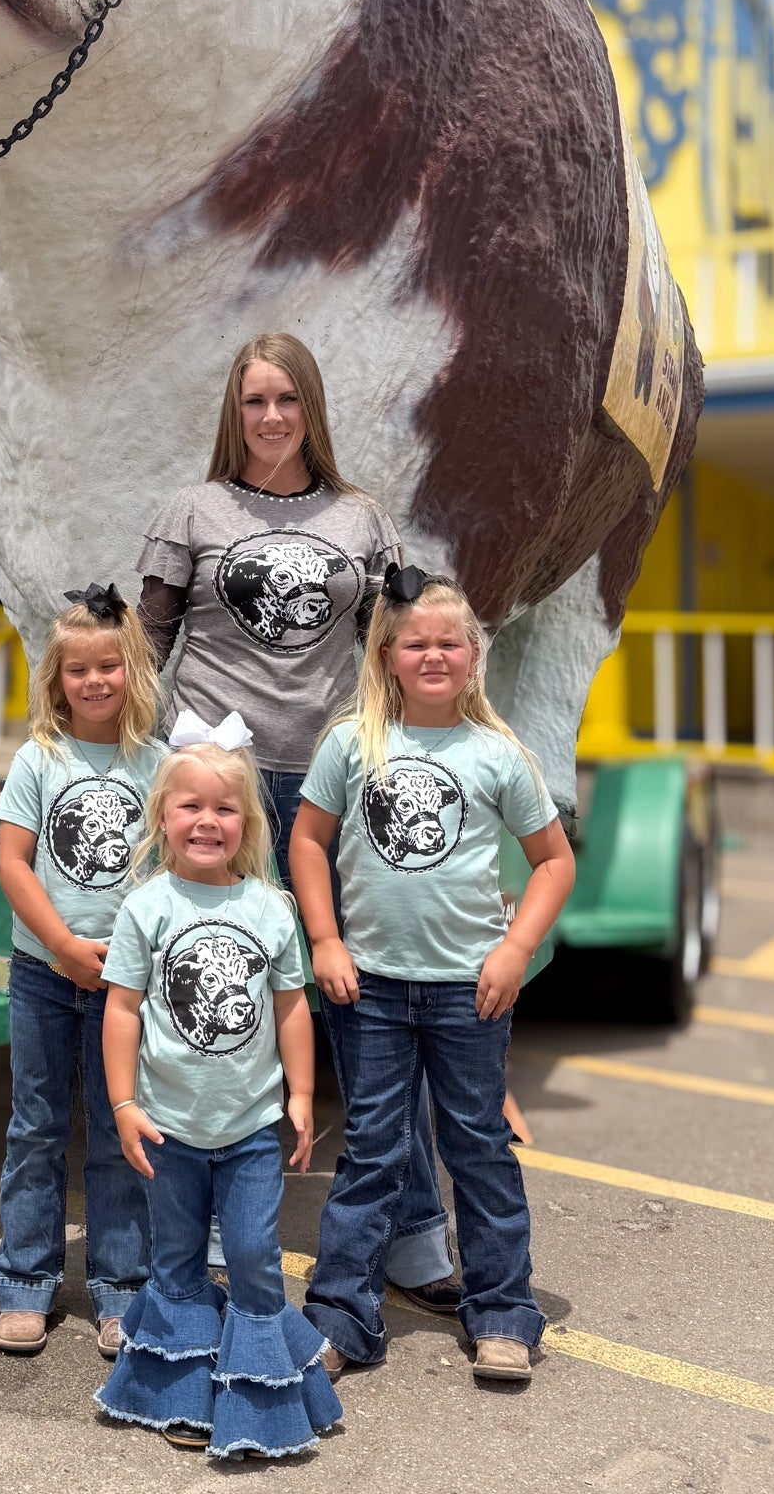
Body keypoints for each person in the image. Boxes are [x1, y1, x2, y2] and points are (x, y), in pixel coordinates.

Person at [137, 330, 456, 1305]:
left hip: (331, 791)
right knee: (231, 1010)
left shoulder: (361, 520)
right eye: (252, 401)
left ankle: (412, 1227)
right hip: (223, 792)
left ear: (310, 409)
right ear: (231, 415)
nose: (269, 417)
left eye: (285, 399)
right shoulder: (188, 512)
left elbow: (390, 652)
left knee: (371, 1011)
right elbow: (140, 651)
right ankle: (234, 1236)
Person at [290, 567, 576, 1384]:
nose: (433, 655)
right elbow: (308, 842)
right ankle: (340, 1316)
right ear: (385, 656)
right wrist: (325, 939)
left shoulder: (497, 755)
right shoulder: (351, 743)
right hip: (369, 987)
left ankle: (503, 1315)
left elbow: (551, 862)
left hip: (468, 991)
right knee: (372, 1154)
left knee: (478, 1148)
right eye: (415, 643)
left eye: (449, 642)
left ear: (473, 655)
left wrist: (514, 949)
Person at [95, 719, 342, 1458]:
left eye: (224, 809)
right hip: (169, 1128)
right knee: (174, 1260)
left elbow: (292, 1006)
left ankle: (267, 1398)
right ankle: (182, 1393)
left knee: (251, 1253)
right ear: (163, 818)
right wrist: (123, 1105)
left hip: (248, 1130)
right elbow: (120, 1011)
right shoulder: (145, 908)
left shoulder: (271, 908)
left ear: (249, 822)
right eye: (190, 807)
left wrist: (300, 1095)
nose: (207, 821)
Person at [0, 583, 163, 1359]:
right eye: (77, 671)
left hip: (125, 987)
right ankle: (24, 1284)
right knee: (36, 1128)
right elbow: (13, 861)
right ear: (56, 682)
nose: (94, 682)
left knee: (117, 1133)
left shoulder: (159, 765)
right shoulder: (39, 758)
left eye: (108, 667)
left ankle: (120, 1291)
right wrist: (62, 945)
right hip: (43, 976)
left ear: (133, 672)